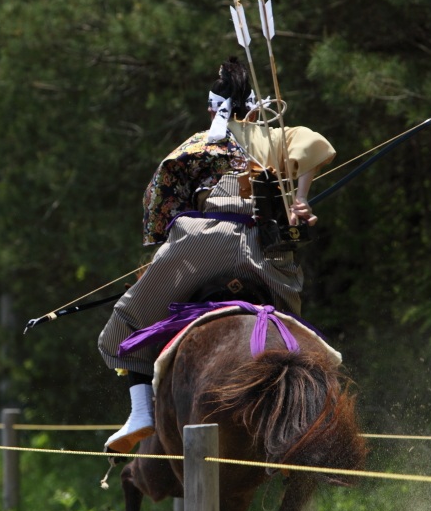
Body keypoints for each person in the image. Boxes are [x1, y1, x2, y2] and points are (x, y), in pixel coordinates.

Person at [99, 56, 336, 453]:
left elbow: (160, 198)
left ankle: (142, 413)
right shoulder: (274, 138)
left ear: (214, 107)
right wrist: (300, 199)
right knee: (294, 331)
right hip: (267, 258)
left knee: (124, 327)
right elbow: (316, 145)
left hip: (202, 245)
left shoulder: (199, 142)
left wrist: (161, 243)